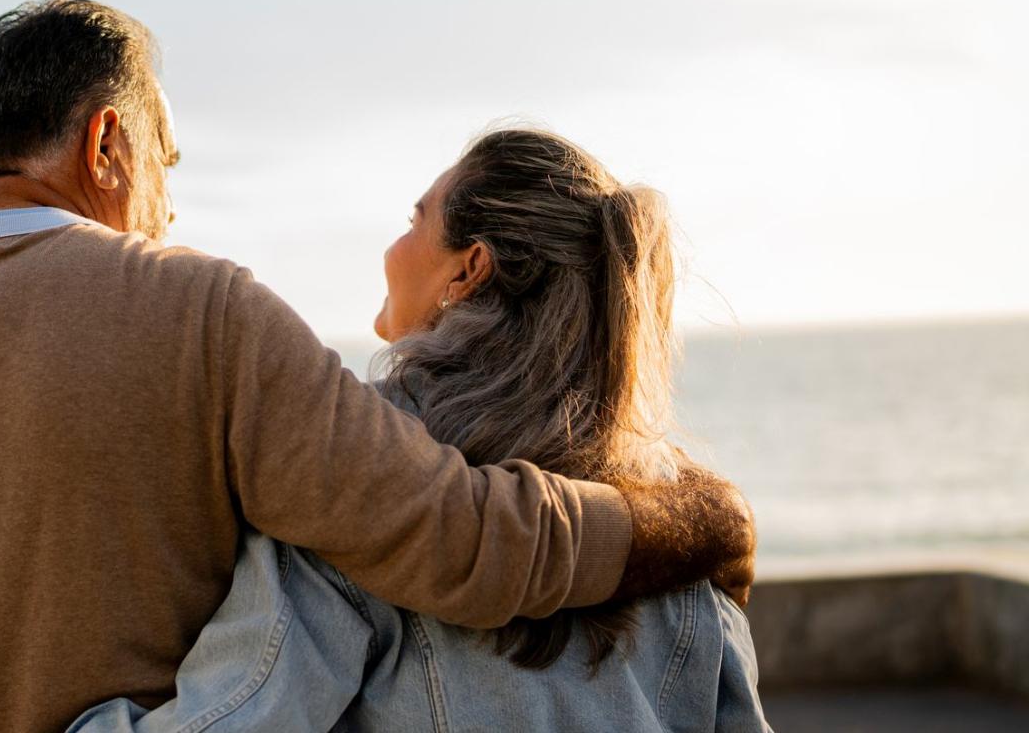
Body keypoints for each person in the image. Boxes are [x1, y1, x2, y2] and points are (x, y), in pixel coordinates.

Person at [0, 0, 755, 732]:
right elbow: (455, 540)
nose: (169, 203)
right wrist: (693, 524)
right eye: (166, 163)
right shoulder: (199, 311)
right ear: (108, 144)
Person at [69, 128, 770, 732]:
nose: (392, 246)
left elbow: (241, 712)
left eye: (415, 219)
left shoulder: (373, 462)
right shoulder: (678, 510)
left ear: (469, 270)